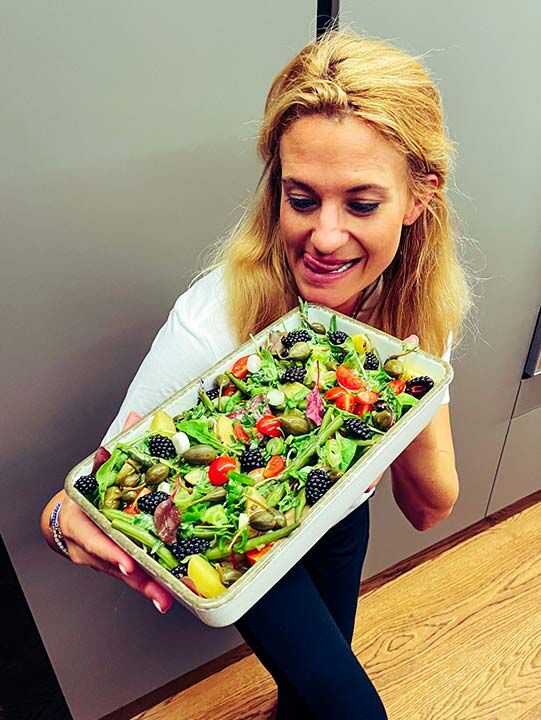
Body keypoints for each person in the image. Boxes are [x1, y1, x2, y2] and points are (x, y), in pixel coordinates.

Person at [41, 28, 471, 719]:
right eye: (302, 198)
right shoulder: (211, 325)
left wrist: (404, 390)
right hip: (244, 541)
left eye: (361, 204)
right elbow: (79, 500)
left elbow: (428, 510)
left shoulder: (421, 307)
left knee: (306, 699)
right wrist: (67, 521)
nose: (325, 237)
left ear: (418, 198)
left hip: (339, 515)